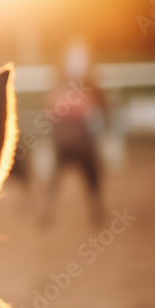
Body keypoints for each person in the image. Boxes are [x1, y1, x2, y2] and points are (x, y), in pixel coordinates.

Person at [40, 41, 107, 226]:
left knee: (66, 175)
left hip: (69, 137)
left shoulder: (63, 81)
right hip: (79, 138)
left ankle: (50, 210)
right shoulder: (89, 82)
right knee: (90, 173)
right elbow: (101, 111)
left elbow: (49, 110)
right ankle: (96, 209)